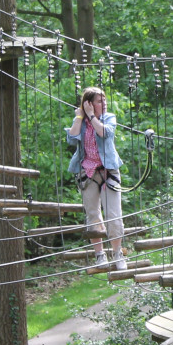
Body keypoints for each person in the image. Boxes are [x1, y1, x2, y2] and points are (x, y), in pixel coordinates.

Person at [67, 87, 125, 270]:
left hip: (109, 171)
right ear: (89, 104)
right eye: (100, 101)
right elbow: (71, 137)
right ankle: (100, 255)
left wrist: (92, 117)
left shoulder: (109, 118)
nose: (104, 104)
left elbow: (105, 133)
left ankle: (118, 254)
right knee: (93, 215)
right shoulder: (81, 121)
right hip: (88, 172)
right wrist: (80, 116)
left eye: (104, 100)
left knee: (113, 215)